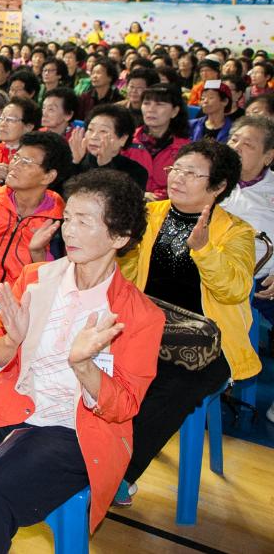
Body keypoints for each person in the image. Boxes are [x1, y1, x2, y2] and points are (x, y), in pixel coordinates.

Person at [0, 170, 164, 554]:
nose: (69, 231)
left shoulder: (140, 316)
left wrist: (84, 366)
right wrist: (12, 339)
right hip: (15, 404)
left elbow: (124, 406)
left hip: (75, 428)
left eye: (84, 222)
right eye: (68, 218)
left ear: (119, 237)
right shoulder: (36, 278)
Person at [114, 139, 259, 506]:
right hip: (146, 325)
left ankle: (121, 473)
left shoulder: (236, 231)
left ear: (219, 185)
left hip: (206, 342)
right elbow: (128, 279)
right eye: (176, 169)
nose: (178, 178)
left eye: (192, 173)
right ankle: (82, 455)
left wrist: (205, 250)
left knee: (171, 384)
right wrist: (124, 248)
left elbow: (235, 289)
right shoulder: (152, 213)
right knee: (88, 359)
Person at [0, 131, 70, 349]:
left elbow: (56, 277)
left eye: (26, 162)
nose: (14, 165)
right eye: (16, 158)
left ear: (48, 176)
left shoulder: (60, 219)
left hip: (22, 297)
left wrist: (38, 252)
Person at [221, 115, 274, 420]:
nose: (238, 147)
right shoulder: (210, 180)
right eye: (234, 140)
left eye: (248, 144)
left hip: (262, 284)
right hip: (210, 281)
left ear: (268, 156)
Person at [69, 104, 150, 192]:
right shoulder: (78, 162)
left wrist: (105, 165)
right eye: (90, 129)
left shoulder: (136, 172)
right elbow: (63, 196)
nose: (94, 136)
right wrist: (75, 163)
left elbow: (117, 202)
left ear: (123, 139)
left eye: (103, 131)